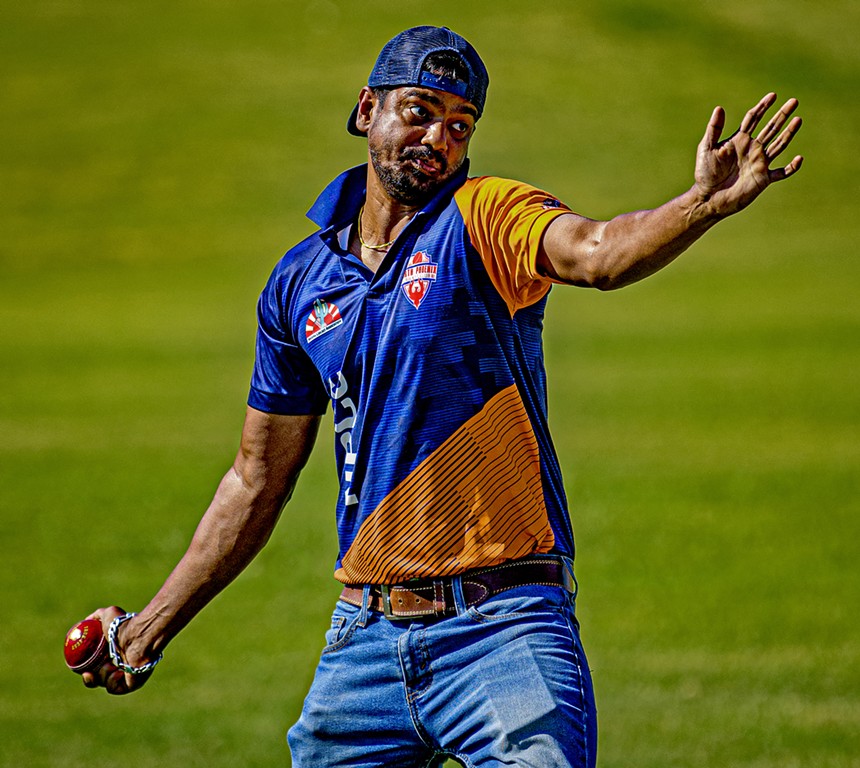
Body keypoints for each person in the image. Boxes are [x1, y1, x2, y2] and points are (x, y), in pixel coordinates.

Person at [80, 25, 803, 768]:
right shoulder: (299, 283)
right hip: (364, 644)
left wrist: (699, 206)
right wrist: (147, 630)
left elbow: (597, 254)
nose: (438, 137)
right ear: (367, 110)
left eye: (460, 125)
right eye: (419, 111)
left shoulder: (485, 216)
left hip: (506, 629)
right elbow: (255, 478)